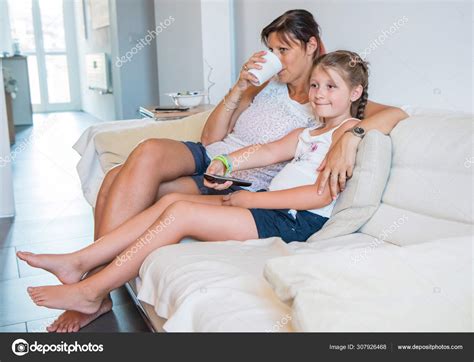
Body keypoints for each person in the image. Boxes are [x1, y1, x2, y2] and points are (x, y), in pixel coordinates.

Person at [46, 9, 408, 332]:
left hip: (267, 198)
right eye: (271, 50)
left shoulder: (333, 106)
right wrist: (238, 99)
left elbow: (393, 115)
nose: (276, 59)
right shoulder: (284, 100)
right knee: (134, 166)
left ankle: (94, 285)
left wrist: (353, 134)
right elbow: (231, 142)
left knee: (165, 200)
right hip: (228, 165)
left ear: (311, 45)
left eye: (283, 50)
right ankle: (90, 275)